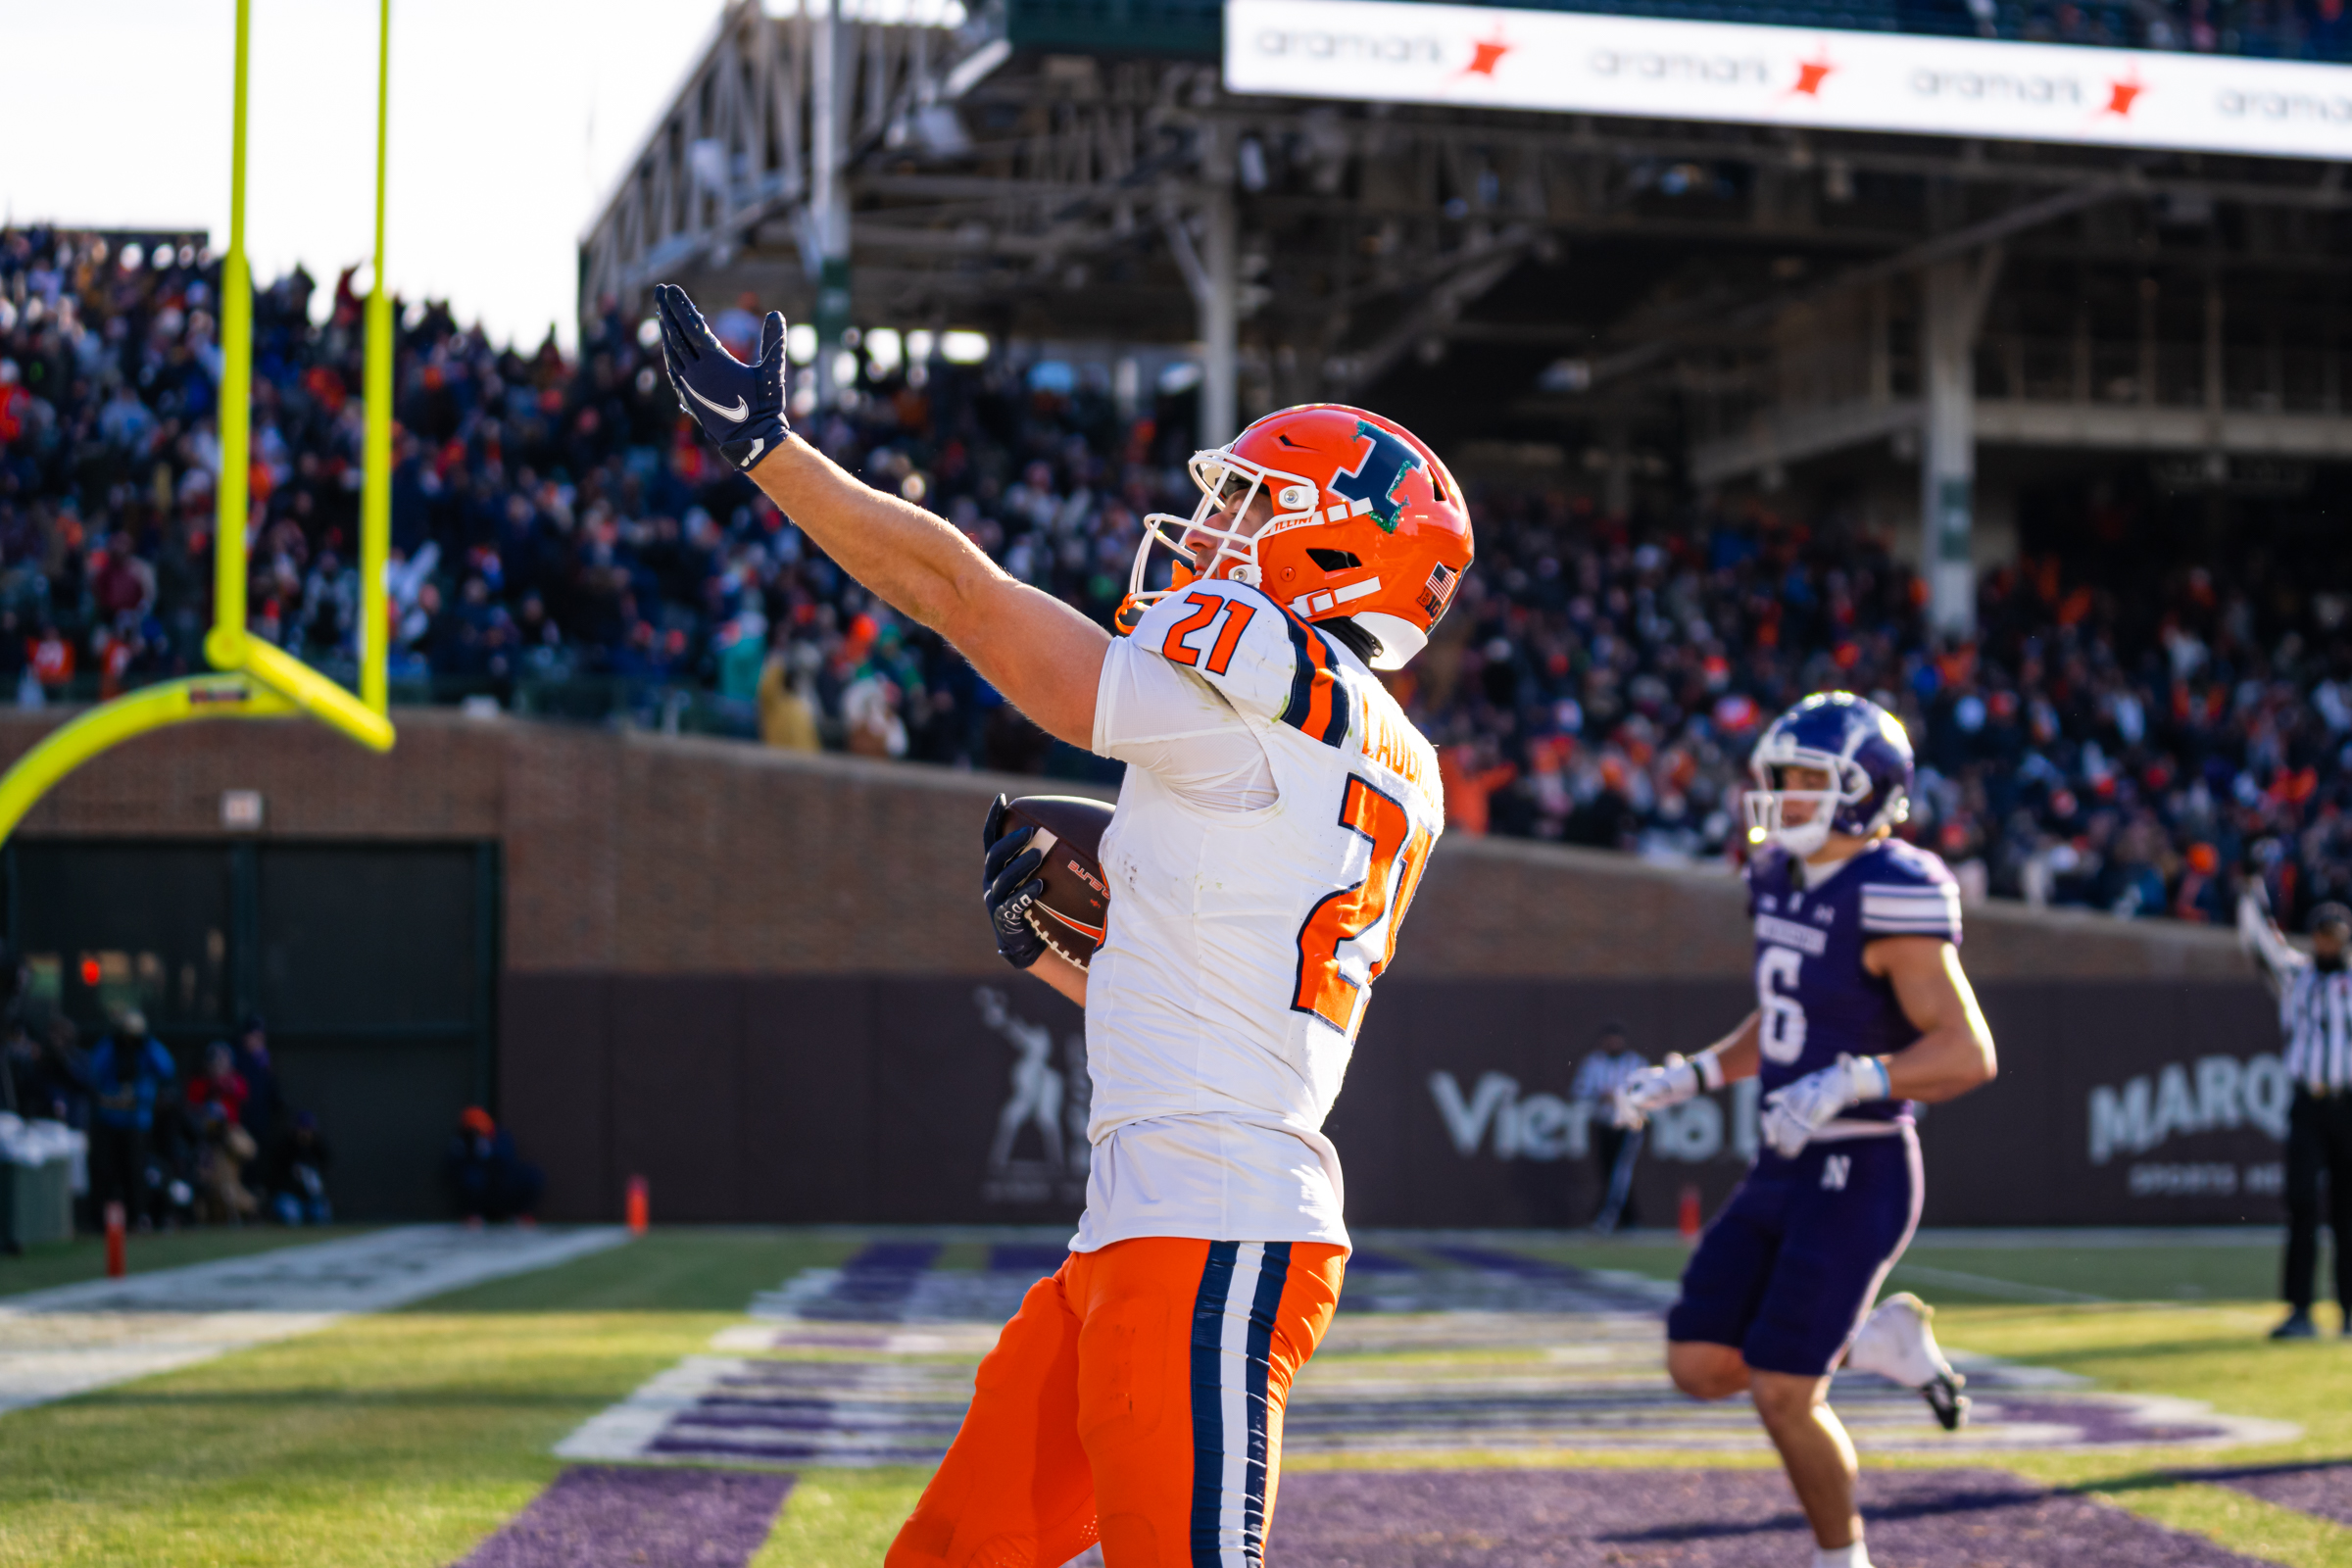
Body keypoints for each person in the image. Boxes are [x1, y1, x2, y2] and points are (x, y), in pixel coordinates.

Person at [657, 284, 1470, 1568]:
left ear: (1336, 547)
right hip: (1151, 1215)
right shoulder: (1371, 752)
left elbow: (964, 602)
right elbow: (1235, 985)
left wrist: (774, 457)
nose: (1211, 527)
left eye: (1252, 503)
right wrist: (1072, 960)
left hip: (1210, 1230)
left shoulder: (1274, 696)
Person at [1612, 692, 1998, 1568]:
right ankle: (1876, 1342)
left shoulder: (1894, 888)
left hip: (1862, 1166)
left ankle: (1843, 1560)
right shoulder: (1777, 874)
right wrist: (1698, 1072)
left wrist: (1858, 1080)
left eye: (1803, 780)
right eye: (1779, 778)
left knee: (1786, 1390)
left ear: (1864, 791)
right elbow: (1790, 1015)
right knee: (1699, 1363)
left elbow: (1967, 1052)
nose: (1781, 795)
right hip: (1783, 1161)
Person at [2238, 890, 2352, 1339]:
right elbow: (2258, 940)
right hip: (2308, 1101)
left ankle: (2350, 1311)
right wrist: (2251, 886)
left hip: (2349, 1105)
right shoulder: (2295, 975)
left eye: (2336, 937)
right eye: (2322, 937)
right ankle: (2300, 1310)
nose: (2328, 945)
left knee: (2348, 1213)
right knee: (2302, 1203)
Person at [86, 1011, 174, 1226]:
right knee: (105, 1170)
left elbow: (166, 1067)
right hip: (109, 1120)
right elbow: (93, 1070)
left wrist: (146, 1044)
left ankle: (138, 1215)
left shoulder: (147, 1049)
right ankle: (102, 1219)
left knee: (135, 1170)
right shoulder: (110, 1048)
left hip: (136, 1122)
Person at [1573, 1022, 1647, 1230]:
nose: (1613, 1043)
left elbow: (1648, 1092)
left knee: (1620, 1173)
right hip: (1604, 1124)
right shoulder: (1593, 1063)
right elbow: (1579, 1092)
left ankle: (1608, 1217)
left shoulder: (1635, 1063)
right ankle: (1629, 1219)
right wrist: (1600, 1096)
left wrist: (1621, 1097)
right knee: (1607, 1172)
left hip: (1628, 1125)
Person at [444, 1106, 542, 1223]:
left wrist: (489, 1151)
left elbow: (508, 1161)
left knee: (532, 1176)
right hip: (481, 1190)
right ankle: (472, 1215)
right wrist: (466, 1153)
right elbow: (449, 1170)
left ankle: (521, 1213)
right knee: (471, 1178)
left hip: (502, 1187)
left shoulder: (500, 1137)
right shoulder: (460, 1143)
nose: (476, 1134)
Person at [264, 1111, 333, 1226]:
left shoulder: (318, 1148)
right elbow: (273, 1175)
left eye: (308, 1130)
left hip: (312, 1197)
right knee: (291, 1216)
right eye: (302, 1129)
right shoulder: (284, 1147)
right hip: (289, 1195)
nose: (305, 1133)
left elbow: (325, 1165)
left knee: (322, 1215)